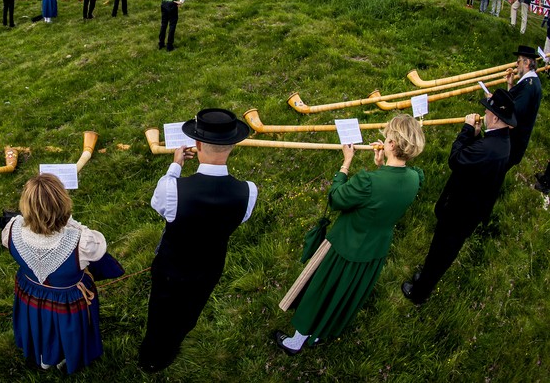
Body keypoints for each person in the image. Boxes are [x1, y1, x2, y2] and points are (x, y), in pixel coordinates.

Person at [274, 115, 425, 354]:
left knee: (320, 291)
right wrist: (381, 166)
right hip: (374, 250)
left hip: (344, 247)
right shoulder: (415, 178)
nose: (384, 141)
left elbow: (336, 198)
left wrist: (345, 164)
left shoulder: (367, 181)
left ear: (393, 145)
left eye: (387, 138)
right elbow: (388, 191)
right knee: (343, 294)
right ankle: (322, 332)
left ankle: (295, 341)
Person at [138, 109, 257, 372]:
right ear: (232, 146)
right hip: (210, 267)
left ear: (198, 144)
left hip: (171, 267)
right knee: (191, 310)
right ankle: (174, 340)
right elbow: (240, 219)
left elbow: (159, 204)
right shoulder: (248, 191)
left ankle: (152, 358)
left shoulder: (171, 189)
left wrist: (176, 164)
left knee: (160, 313)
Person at [402, 89, 516, 304]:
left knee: (441, 252)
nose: (484, 113)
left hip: (460, 211)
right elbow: (477, 158)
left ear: (495, 117)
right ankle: (425, 276)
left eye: (487, 110)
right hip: (471, 208)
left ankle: (420, 292)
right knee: (440, 250)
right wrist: (477, 136)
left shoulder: (489, 148)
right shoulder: (500, 141)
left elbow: (455, 159)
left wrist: (465, 131)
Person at [1, 174, 107, 373]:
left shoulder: (12, 228)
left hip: (30, 293)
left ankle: (43, 356)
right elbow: (99, 253)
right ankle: (67, 354)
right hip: (67, 299)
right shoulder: (81, 240)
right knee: (69, 330)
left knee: (39, 325)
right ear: (63, 204)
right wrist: (74, 225)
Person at [504, 45, 542, 170]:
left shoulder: (528, 86)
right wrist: (510, 85)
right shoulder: (531, 82)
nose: (516, 64)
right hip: (515, 142)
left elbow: (515, 113)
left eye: (518, 60)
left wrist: (494, 105)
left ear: (527, 63)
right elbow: (517, 104)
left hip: (512, 143)